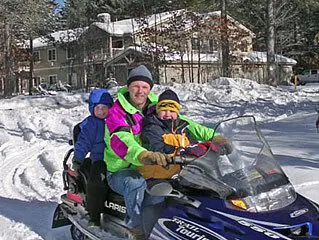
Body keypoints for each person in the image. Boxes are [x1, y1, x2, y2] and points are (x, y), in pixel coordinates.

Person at [104, 65, 171, 237]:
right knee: (135, 182)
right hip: (121, 170)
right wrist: (144, 154)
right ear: (129, 87)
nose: (140, 91)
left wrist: (212, 137)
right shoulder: (116, 112)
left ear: (150, 89)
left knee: (169, 188)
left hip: (149, 168)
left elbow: (182, 121)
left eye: (145, 87)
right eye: (136, 86)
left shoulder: (156, 107)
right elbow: (121, 140)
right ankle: (136, 228)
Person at [139, 89, 232, 180]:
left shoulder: (182, 128)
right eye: (163, 110)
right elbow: (156, 147)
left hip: (179, 175)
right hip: (157, 176)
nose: (167, 114)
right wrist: (182, 151)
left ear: (177, 113)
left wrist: (205, 150)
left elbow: (192, 144)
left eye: (171, 111)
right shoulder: (152, 127)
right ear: (158, 111)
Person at [73, 88, 114, 227]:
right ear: (92, 109)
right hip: (99, 159)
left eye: (105, 107)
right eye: (98, 108)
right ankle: (94, 215)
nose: (102, 111)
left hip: (117, 159)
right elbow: (83, 142)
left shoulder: (115, 120)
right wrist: (78, 159)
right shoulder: (92, 123)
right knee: (97, 181)